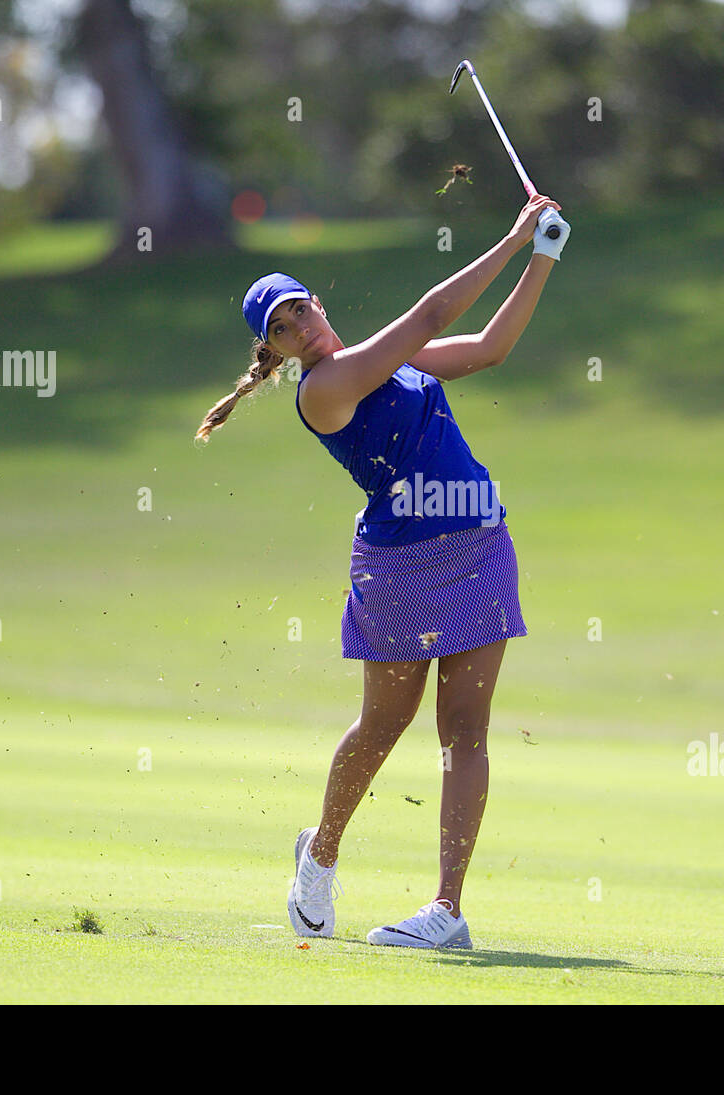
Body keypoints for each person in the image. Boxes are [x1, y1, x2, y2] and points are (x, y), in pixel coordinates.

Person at [196, 194, 570, 948]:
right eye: (281, 327)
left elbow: (489, 348)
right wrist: (511, 234)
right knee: (383, 725)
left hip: (478, 545)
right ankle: (320, 857)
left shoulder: (379, 361)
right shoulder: (322, 390)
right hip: (398, 566)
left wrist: (544, 256)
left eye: (299, 308)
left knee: (466, 729)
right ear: (274, 350)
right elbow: (431, 315)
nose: (299, 325)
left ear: (317, 304)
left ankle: (447, 912)